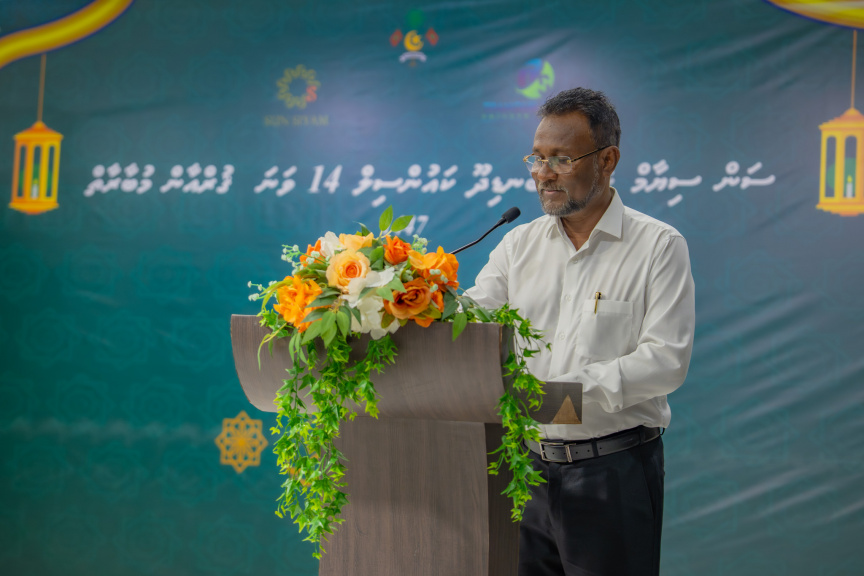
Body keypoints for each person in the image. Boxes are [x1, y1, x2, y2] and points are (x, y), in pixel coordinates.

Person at [465, 88, 695, 576]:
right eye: (537, 158)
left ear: (607, 160)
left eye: (561, 159)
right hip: (524, 472)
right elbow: (471, 321)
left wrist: (562, 399)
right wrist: (405, 298)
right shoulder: (518, 244)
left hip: (612, 471)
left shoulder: (658, 245)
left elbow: (666, 361)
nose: (543, 173)